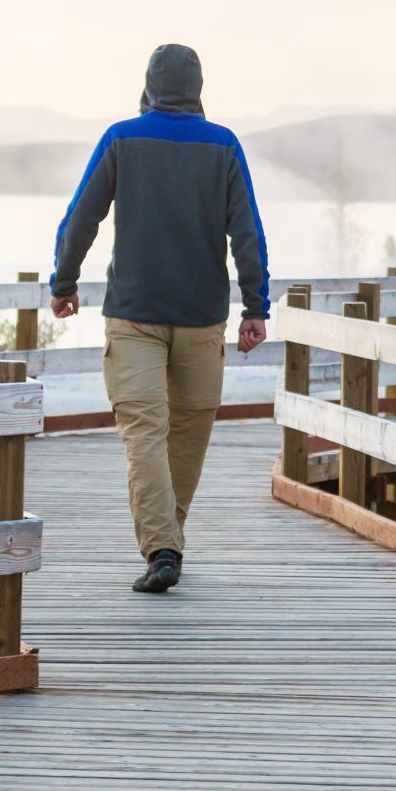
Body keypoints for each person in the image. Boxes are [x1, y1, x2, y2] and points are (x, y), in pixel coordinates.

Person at [49, 43, 269, 593]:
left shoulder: (121, 138)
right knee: (188, 433)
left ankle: (163, 546)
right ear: (197, 87)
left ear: (149, 85)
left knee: (145, 432)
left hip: (135, 316)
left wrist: (65, 282)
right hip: (201, 318)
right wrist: (256, 307)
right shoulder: (223, 144)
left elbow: (82, 216)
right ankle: (167, 546)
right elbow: (248, 231)